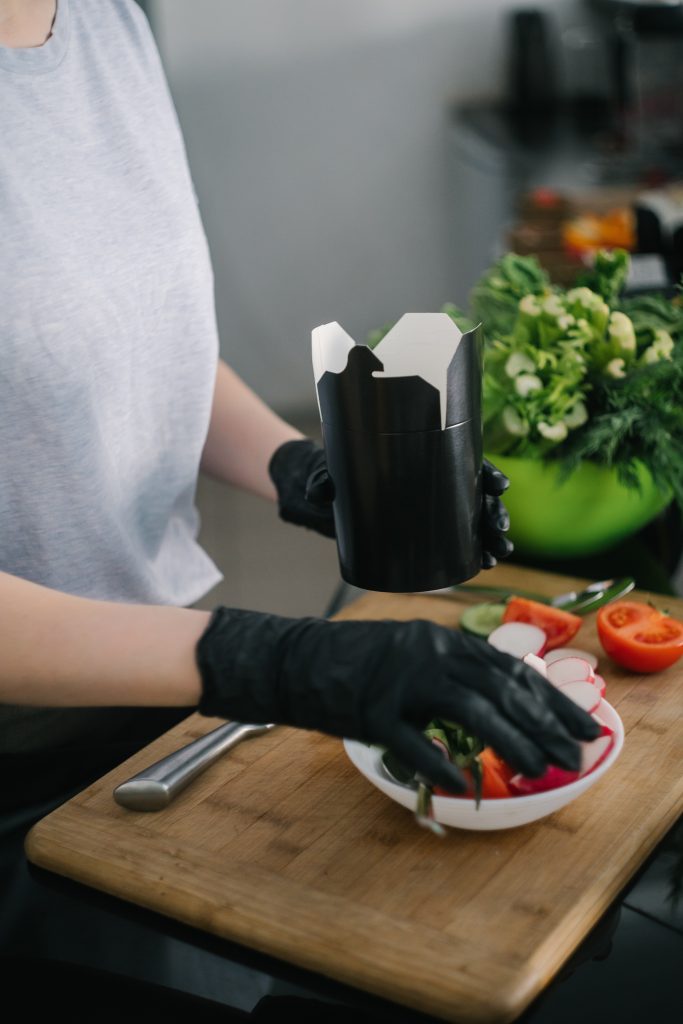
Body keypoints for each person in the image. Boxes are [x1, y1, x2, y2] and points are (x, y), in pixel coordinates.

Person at [0, 1, 602, 1016]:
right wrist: (273, 662)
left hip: (160, 702)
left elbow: (134, 342)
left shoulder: (105, 27)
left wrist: (307, 469)